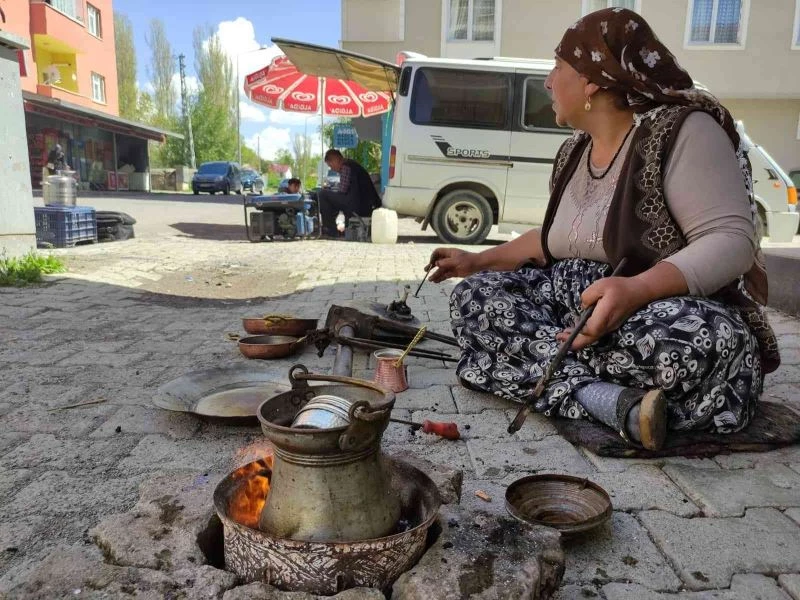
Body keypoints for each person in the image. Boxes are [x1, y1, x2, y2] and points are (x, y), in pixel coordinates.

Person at [426, 7, 780, 451]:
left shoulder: (682, 130)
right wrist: (476, 261)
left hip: (648, 307)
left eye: (558, 68)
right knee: (475, 298)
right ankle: (607, 400)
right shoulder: (573, 151)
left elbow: (732, 241)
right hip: (570, 311)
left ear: (592, 79)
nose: (549, 81)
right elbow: (554, 238)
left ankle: (537, 373)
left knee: (703, 338)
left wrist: (633, 291)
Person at [318, 149, 381, 237]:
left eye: (330, 165)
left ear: (335, 160)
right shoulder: (353, 165)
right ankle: (333, 228)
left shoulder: (346, 167)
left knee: (323, 194)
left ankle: (330, 229)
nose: (331, 168)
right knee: (331, 199)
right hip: (366, 204)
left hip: (357, 205)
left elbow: (342, 190)